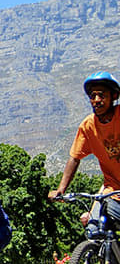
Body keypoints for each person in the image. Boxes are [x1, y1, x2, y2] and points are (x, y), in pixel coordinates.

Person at [48, 71, 120, 227]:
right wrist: (61, 189)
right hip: (113, 192)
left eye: (101, 95)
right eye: (92, 96)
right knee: (93, 227)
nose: (96, 100)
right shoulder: (88, 126)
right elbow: (74, 158)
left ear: (114, 96)